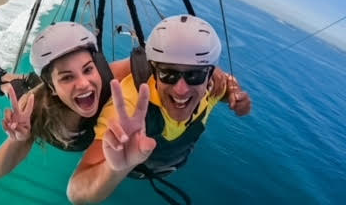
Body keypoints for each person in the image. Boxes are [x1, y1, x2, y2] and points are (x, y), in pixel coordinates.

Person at [67, 15, 251, 204]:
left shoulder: (210, 89)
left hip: (168, 164)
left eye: (194, 75)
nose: (181, 89)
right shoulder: (129, 106)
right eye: (168, 74)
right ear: (154, 72)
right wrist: (115, 168)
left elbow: (227, 85)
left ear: (209, 75)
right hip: (135, 172)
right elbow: (76, 193)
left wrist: (235, 96)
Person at [0, 21, 131, 178]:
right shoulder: (33, 108)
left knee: (46, 84)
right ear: (52, 87)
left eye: (88, 69)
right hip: (43, 98)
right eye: (67, 77)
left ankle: (32, 78)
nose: (84, 83)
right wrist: (20, 138)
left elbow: (148, 62)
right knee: (14, 90)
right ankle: (2, 78)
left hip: (55, 90)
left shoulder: (110, 79)